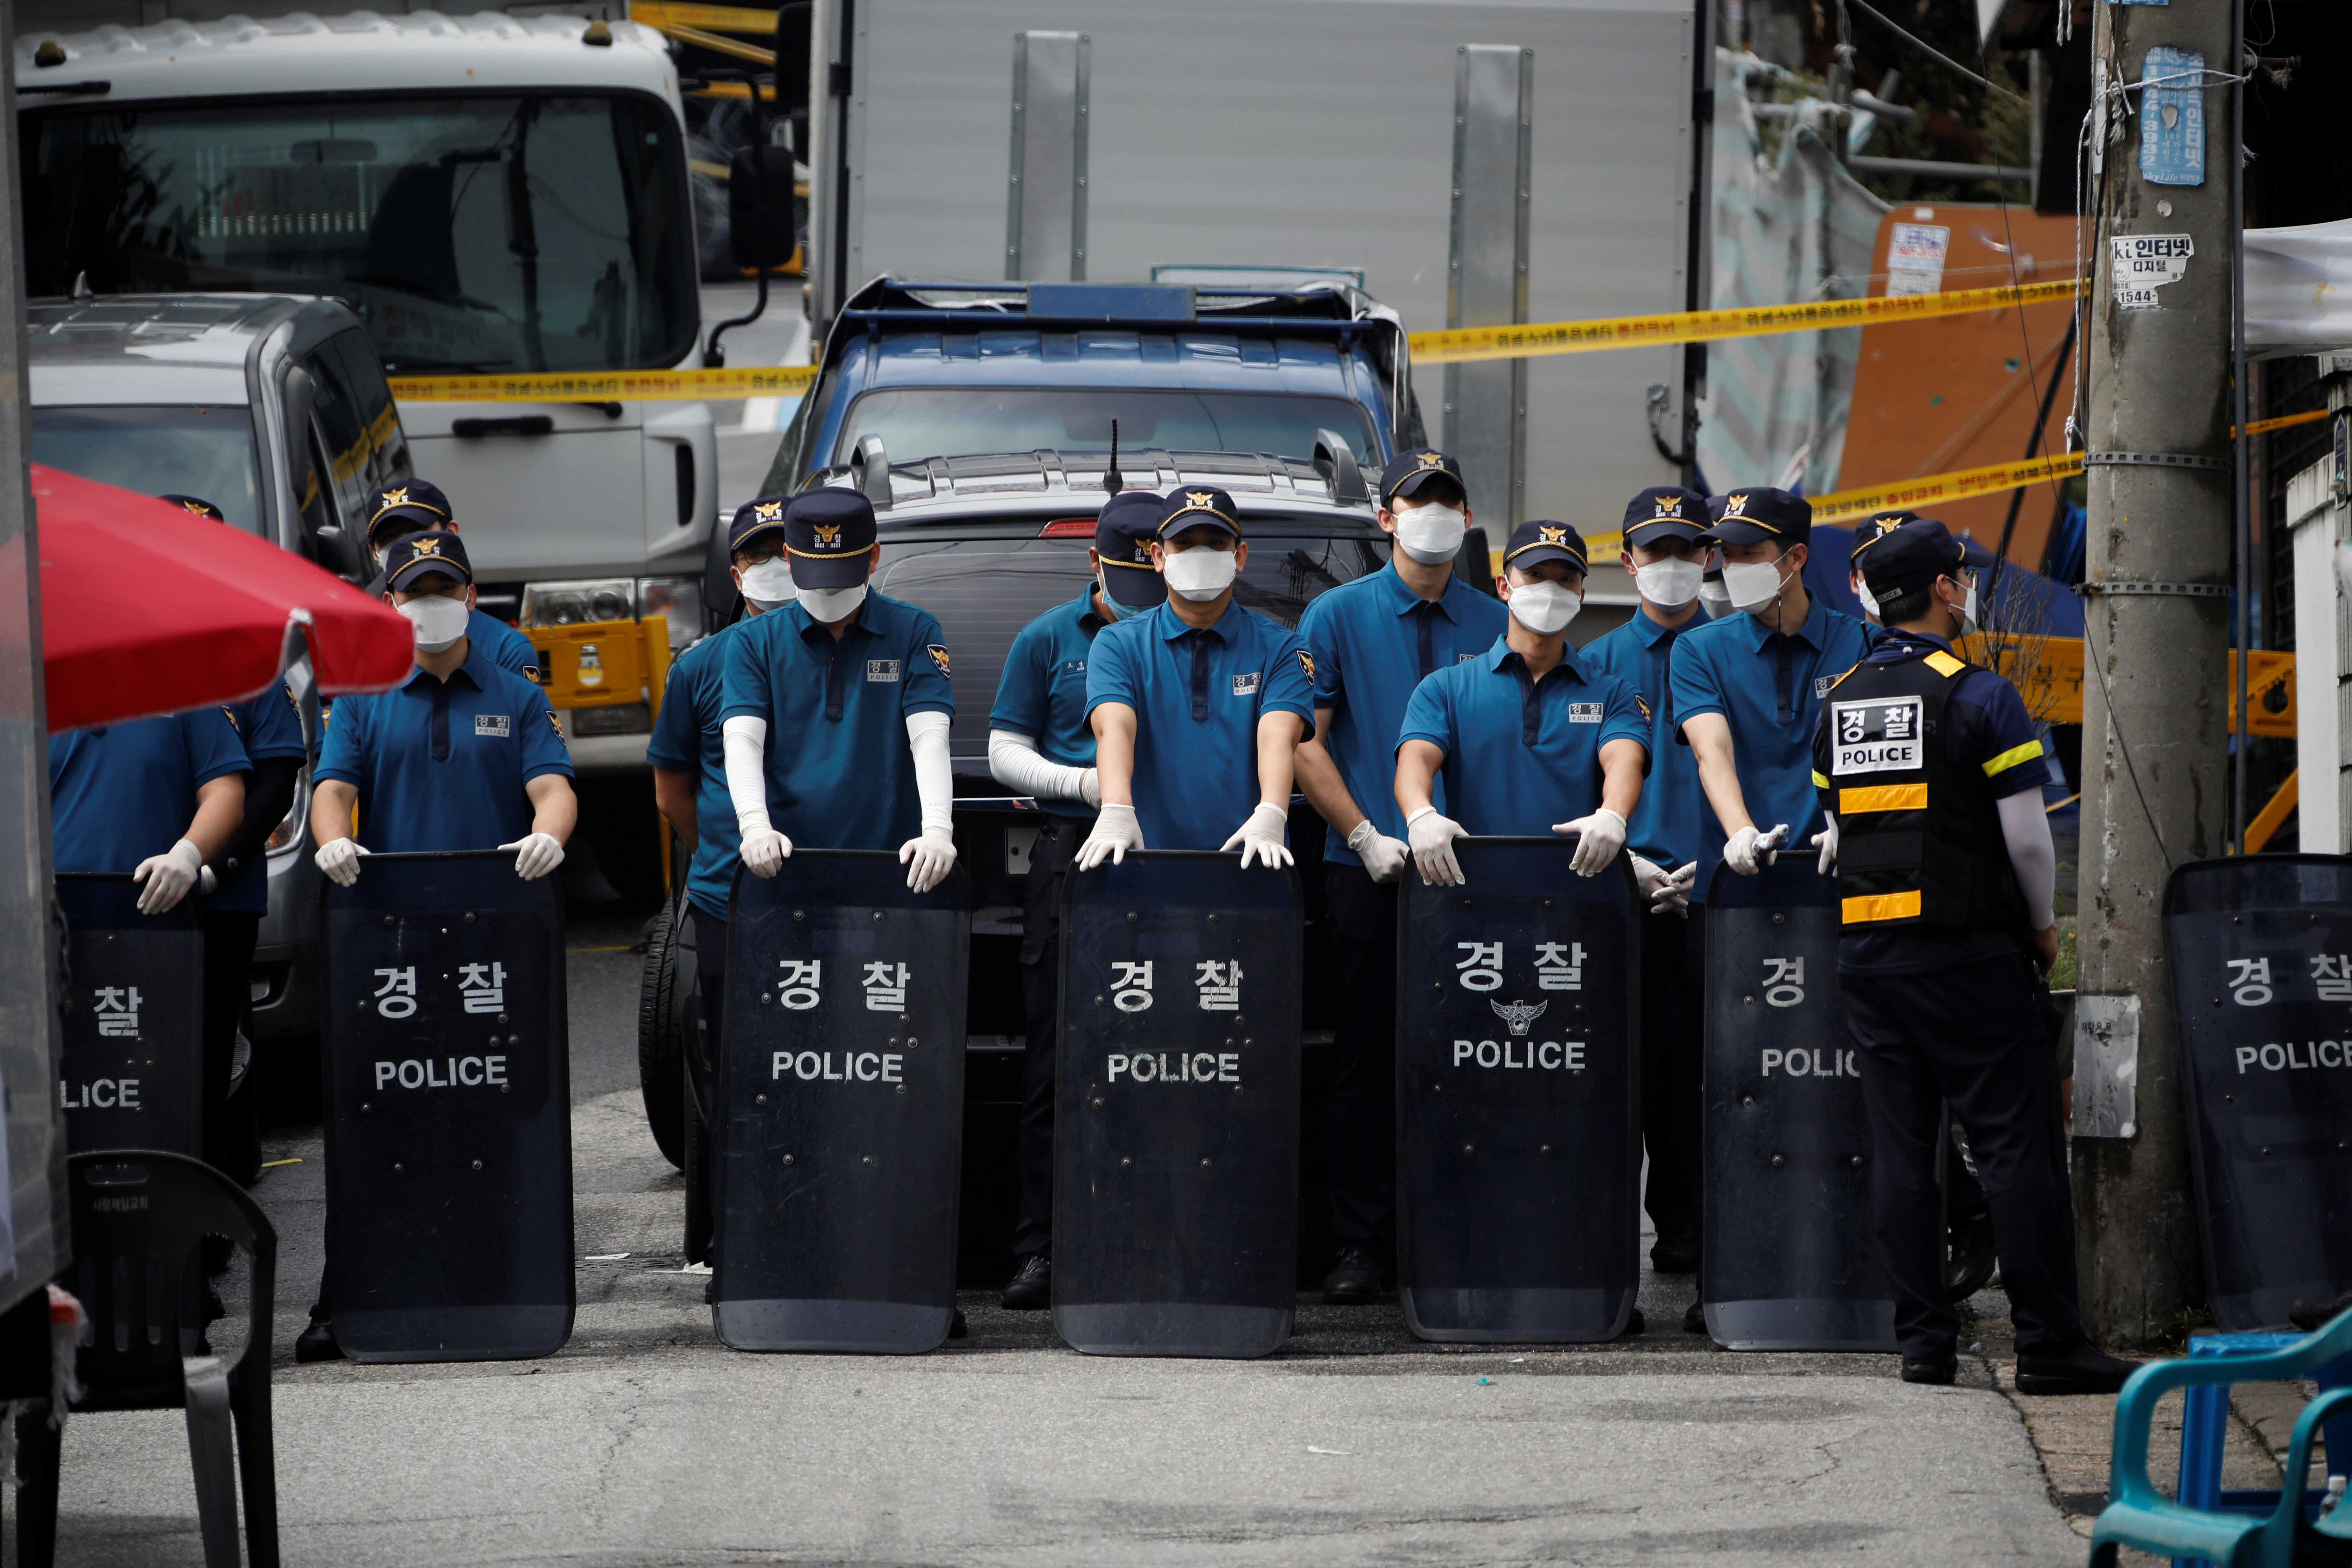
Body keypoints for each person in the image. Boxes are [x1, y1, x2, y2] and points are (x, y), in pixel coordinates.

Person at [1813, 518, 2132, 1394]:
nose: (1968, 584)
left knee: (1903, 1152)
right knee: (2014, 1150)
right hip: (1966, 958)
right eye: (1961, 573)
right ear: (1946, 590)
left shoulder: (1839, 698)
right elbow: (2030, 844)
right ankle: (2050, 1349)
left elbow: (1838, 834)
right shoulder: (1983, 697)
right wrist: (2043, 930)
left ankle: (1924, 1345)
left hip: (1870, 962)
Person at [299, 530, 578, 1362]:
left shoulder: (515, 690)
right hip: (394, 951)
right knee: (388, 1118)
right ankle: (357, 1292)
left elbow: (553, 784)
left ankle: (496, 1281)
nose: (430, 602)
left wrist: (550, 835)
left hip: (498, 946)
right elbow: (335, 789)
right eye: (414, 589)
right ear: (389, 603)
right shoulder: (364, 692)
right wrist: (331, 841)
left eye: (444, 587)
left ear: (468, 596)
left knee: (500, 1111)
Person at [1293, 449, 1506, 1304]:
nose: (1434, 516)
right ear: (1385, 520)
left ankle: (1462, 1234)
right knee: (1366, 1062)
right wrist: (1365, 832)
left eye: (1449, 502)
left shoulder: (1496, 620)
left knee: (1478, 1054)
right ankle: (1362, 1244)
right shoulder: (1335, 617)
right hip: (1368, 868)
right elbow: (1306, 741)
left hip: (1475, 876)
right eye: (1417, 503)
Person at [984, 489, 1166, 1310]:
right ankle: (1043, 1248)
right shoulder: (1046, 639)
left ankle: (1157, 1237)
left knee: (1176, 1060)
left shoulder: (1188, 632)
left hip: (1177, 861)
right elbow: (1002, 749)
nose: (1143, 587)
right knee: (1057, 1064)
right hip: (1073, 853)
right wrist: (1083, 785)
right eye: (1127, 572)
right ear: (1094, 563)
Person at [648, 496, 796, 1262]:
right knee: (732, 1069)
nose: (777, 564)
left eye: (788, 547)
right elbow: (672, 790)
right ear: (736, 573)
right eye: (759, 552)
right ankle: (736, 1239)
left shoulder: (830, 650)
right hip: (728, 898)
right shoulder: (701, 666)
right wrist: (720, 850)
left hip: (821, 899)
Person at [1577, 485, 1713, 1274]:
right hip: (1628, 893)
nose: (1671, 565)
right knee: (1632, 1064)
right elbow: (1575, 781)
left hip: (1721, 885)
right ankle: (1624, 1233)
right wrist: (1621, 859)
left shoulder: (1736, 648)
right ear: (1627, 560)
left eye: (1686, 549)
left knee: (1714, 1064)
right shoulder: (1594, 663)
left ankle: (1698, 1218)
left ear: (1710, 557)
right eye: (1655, 550)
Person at [159, 494, 308, 1185]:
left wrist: (216, 865)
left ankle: (212, 1220)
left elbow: (275, 780)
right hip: (127, 899)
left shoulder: (247, 655)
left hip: (219, 894)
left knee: (214, 1054)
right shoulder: (126, 651)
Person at [721, 488, 957, 890]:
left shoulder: (914, 631)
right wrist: (754, 825)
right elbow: (742, 739)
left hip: (891, 869)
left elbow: (930, 736)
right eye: (819, 579)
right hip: (786, 869)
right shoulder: (753, 642)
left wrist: (937, 828)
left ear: (874, 557)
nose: (829, 593)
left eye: (840, 578)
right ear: (791, 559)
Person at [1077, 487, 1314, 870]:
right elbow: (1114, 729)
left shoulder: (1282, 648)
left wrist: (1272, 811)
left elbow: (1279, 737)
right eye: (1184, 543)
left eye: (1216, 543)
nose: (1200, 554)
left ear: (1239, 557)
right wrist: (1117, 807)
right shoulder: (1118, 644)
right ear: (1158, 556)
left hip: (1250, 867)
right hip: (1141, 867)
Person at [363, 478, 540, 681]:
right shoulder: (360, 652)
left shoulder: (504, 649)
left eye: (417, 530)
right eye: (390, 536)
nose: (407, 544)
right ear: (375, 553)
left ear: (451, 532)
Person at [1845, 510, 1917, 624]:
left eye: (1904, 564)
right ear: (1855, 583)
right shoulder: (1840, 642)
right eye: (1875, 567)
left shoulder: (1953, 640)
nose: (1890, 576)